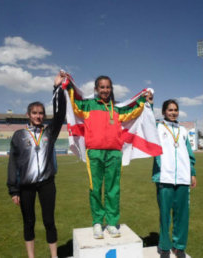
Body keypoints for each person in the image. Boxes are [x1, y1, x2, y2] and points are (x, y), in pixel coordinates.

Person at [57, 72, 151, 239]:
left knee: (113, 189)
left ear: (111, 89)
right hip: (94, 152)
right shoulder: (87, 105)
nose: (105, 90)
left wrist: (143, 98)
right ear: (96, 89)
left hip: (114, 153)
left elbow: (133, 112)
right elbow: (74, 102)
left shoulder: (118, 108)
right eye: (102, 87)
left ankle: (112, 223)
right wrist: (68, 84)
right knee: (95, 188)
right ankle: (98, 223)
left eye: (108, 87)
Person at [7, 75, 66, 258]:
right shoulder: (19, 135)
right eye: (34, 113)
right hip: (26, 186)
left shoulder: (50, 132)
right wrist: (13, 190)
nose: (38, 116)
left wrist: (57, 89)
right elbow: (13, 164)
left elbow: (60, 113)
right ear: (28, 115)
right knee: (29, 222)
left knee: (49, 221)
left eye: (41, 113)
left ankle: (54, 256)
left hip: (47, 183)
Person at [152, 99, 197, 258]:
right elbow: (146, 120)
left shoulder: (183, 130)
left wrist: (192, 173)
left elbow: (189, 154)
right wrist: (149, 103)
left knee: (182, 215)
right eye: (170, 110)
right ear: (164, 112)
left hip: (183, 178)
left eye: (175, 110)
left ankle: (179, 246)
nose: (173, 113)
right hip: (165, 177)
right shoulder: (157, 127)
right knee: (165, 214)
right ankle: (164, 246)